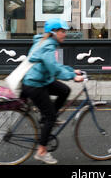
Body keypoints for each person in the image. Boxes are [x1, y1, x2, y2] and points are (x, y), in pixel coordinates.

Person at [21, 18, 84, 165]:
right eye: (62, 31)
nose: (65, 34)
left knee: (64, 90)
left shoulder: (47, 42)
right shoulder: (48, 46)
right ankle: (41, 151)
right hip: (34, 84)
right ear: (53, 32)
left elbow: (54, 65)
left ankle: (48, 118)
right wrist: (73, 77)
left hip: (42, 80)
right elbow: (54, 69)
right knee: (50, 117)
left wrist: (71, 70)